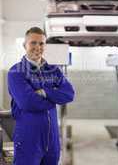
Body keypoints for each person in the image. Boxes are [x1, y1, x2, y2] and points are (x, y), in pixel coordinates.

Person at [7, 27, 75, 165]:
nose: (37, 47)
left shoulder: (53, 70)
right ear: (24, 45)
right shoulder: (15, 72)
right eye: (33, 43)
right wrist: (54, 100)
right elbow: (27, 103)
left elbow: (69, 94)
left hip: (52, 139)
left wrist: (45, 92)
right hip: (28, 137)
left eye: (41, 43)